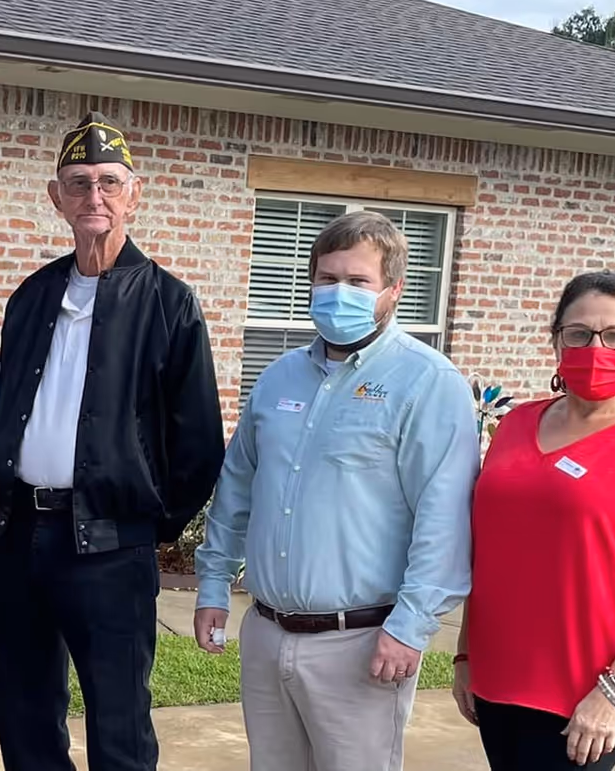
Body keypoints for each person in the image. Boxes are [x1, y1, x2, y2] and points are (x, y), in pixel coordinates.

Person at [195, 210, 480, 771]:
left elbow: (443, 520)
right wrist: (211, 583)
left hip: (365, 644)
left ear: (393, 291)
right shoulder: (278, 378)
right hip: (268, 632)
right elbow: (237, 490)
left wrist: (410, 628)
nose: (338, 293)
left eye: (358, 282)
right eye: (327, 280)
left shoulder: (428, 384)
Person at [0, 112, 225, 771]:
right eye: (79, 182)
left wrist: (144, 520)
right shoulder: (34, 295)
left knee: (118, 724)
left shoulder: (170, 303)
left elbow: (200, 443)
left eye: (109, 181)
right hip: (23, 537)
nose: (95, 195)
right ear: (55, 196)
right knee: (27, 719)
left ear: (134, 192)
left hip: (112, 546)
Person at [453, 271, 615, 770]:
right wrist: (466, 655)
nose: (595, 347)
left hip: (590, 689)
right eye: (577, 333)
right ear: (557, 340)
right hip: (499, 677)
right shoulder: (514, 425)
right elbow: (490, 553)